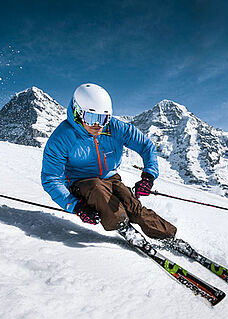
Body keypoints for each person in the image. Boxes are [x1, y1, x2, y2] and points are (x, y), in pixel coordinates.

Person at [41, 83, 176, 240]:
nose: (98, 125)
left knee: (135, 208)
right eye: (91, 118)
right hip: (81, 183)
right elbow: (51, 178)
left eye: (104, 118)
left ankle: (169, 237)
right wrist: (76, 207)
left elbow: (146, 146)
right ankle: (120, 223)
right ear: (78, 113)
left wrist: (149, 176)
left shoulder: (114, 127)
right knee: (113, 210)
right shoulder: (63, 137)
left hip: (111, 178)